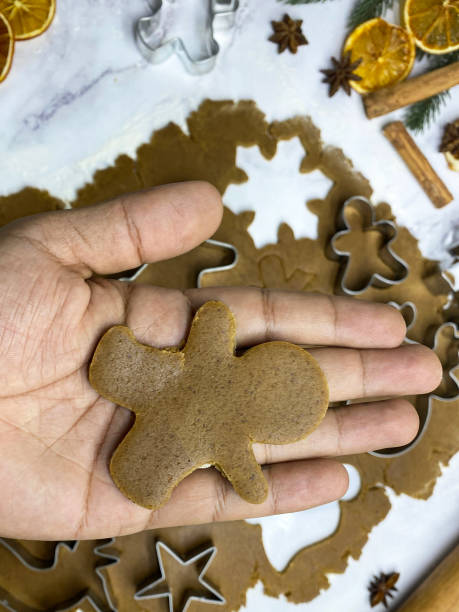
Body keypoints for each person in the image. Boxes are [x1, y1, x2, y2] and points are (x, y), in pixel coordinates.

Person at [0, 181, 441, 540]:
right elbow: (247, 476)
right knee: (146, 408)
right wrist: (249, 478)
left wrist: (247, 475)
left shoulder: (224, 397)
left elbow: (213, 323)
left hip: (166, 404)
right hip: (164, 386)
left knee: (151, 439)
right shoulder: (226, 405)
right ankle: (128, 409)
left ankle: (129, 413)